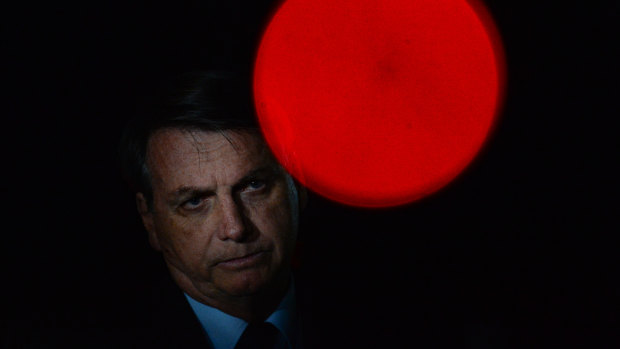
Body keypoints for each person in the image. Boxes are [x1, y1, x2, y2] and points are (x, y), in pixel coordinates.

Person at [118, 70, 308, 349]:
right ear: (150, 221)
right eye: (195, 202)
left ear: (298, 185)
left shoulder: (384, 317)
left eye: (254, 185)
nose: (235, 228)